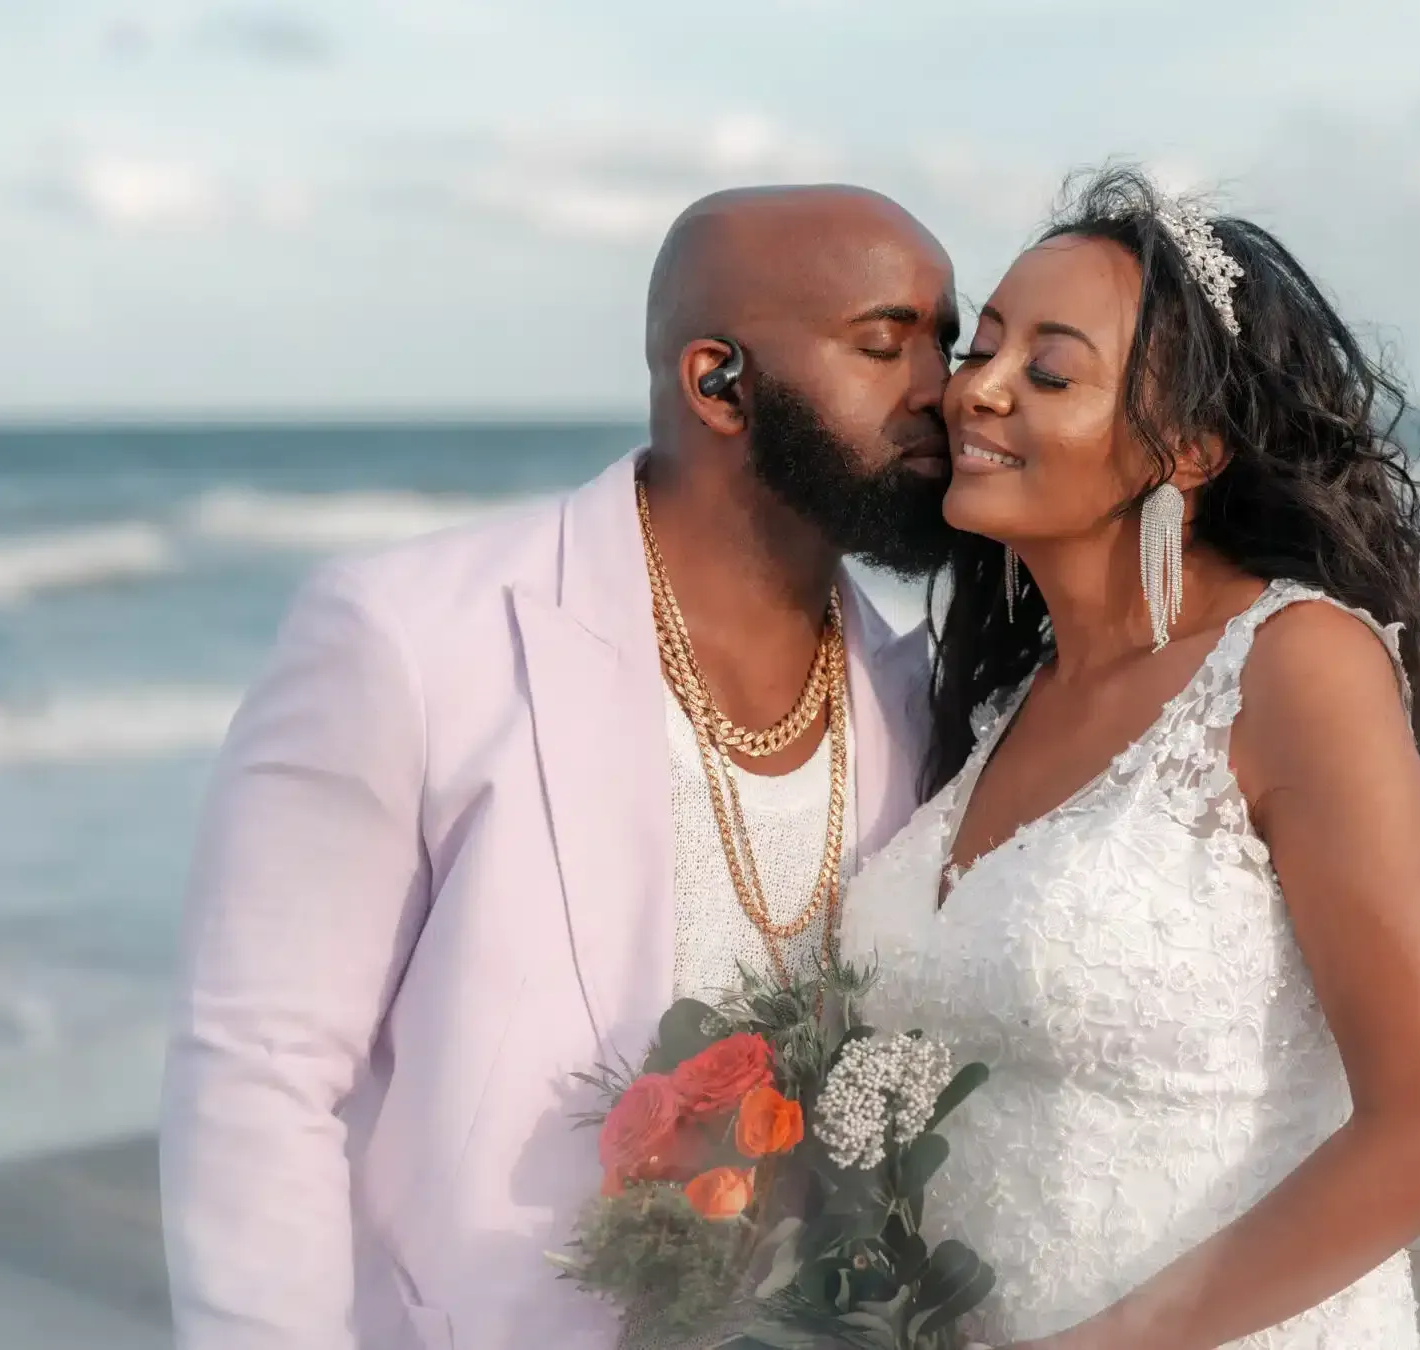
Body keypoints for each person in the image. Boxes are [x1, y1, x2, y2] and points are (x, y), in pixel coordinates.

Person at [160, 185, 960, 1349]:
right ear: (720, 382)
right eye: (886, 345)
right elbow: (258, 1071)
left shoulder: (916, 694)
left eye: (947, 341)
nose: (944, 387)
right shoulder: (408, 637)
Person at [840, 165, 1420, 1348]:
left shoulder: (1293, 668)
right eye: (981, 348)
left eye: (1049, 371)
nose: (976, 388)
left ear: (1186, 450)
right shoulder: (1005, 707)